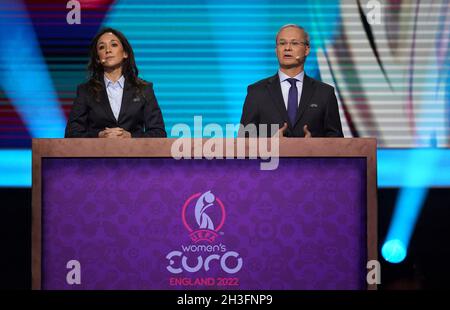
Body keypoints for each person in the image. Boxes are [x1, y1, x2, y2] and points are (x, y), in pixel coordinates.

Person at [239, 24, 343, 138]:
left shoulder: (325, 93)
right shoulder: (257, 92)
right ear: (276, 50)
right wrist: (270, 145)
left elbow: (337, 141)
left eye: (294, 43)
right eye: (282, 43)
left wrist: (315, 147)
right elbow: (244, 141)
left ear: (307, 50)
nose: (287, 48)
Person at [65, 28, 166, 138]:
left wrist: (131, 137)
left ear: (125, 53)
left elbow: (158, 133)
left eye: (114, 45)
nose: (108, 50)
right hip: (98, 153)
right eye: (102, 47)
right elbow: (71, 133)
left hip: (134, 154)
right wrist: (99, 136)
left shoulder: (144, 89)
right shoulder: (85, 91)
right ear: (98, 58)